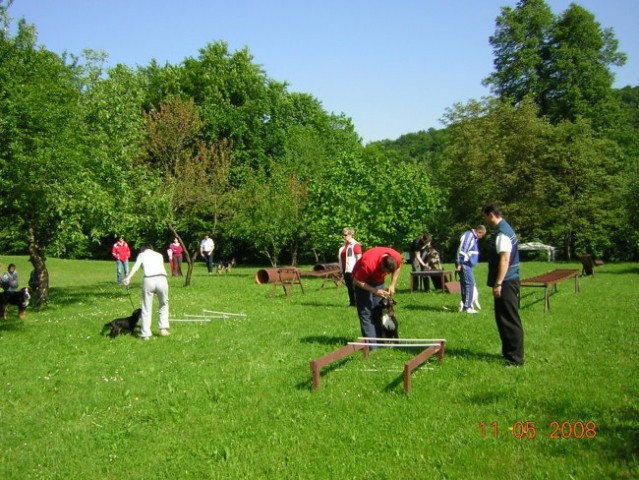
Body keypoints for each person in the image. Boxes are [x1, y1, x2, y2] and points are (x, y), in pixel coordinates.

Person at [482, 202, 523, 366]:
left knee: (509, 320)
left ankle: (515, 358)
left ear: (491, 215)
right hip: (510, 280)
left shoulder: (502, 234)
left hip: (506, 282)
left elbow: (504, 259)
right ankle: (509, 353)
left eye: (486, 217)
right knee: (504, 318)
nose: (486, 221)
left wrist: (498, 283)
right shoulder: (506, 229)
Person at [351, 247, 403, 340]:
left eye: (388, 273)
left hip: (378, 280)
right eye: (384, 270)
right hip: (362, 280)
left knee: (378, 309)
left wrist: (392, 285)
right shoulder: (369, 263)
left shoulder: (396, 257)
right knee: (366, 312)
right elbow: (356, 280)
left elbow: (398, 267)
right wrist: (374, 290)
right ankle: (372, 345)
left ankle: (381, 341)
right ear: (382, 263)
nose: (385, 273)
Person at [123, 243, 170, 340]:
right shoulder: (159, 255)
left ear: (142, 249)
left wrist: (128, 278)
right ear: (151, 248)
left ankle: (146, 334)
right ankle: (163, 329)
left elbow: (135, 268)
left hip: (148, 280)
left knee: (146, 308)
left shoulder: (142, 255)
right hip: (162, 279)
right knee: (164, 304)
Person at [456, 225, 487, 314]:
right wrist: (460, 263)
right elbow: (462, 250)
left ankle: (464, 304)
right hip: (465, 264)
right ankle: (467, 307)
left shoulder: (472, 237)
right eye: (482, 235)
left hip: (467, 264)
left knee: (465, 284)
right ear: (479, 232)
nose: (481, 237)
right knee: (470, 283)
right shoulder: (469, 236)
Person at [338, 228, 362, 307]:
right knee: (349, 287)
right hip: (345, 270)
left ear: (350, 235)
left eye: (345, 235)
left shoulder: (355, 245)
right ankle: (352, 303)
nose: (343, 237)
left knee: (354, 287)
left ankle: (357, 303)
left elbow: (359, 259)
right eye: (343, 235)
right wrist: (341, 270)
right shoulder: (343, 247)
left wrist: (358, 270)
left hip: (353, 270)